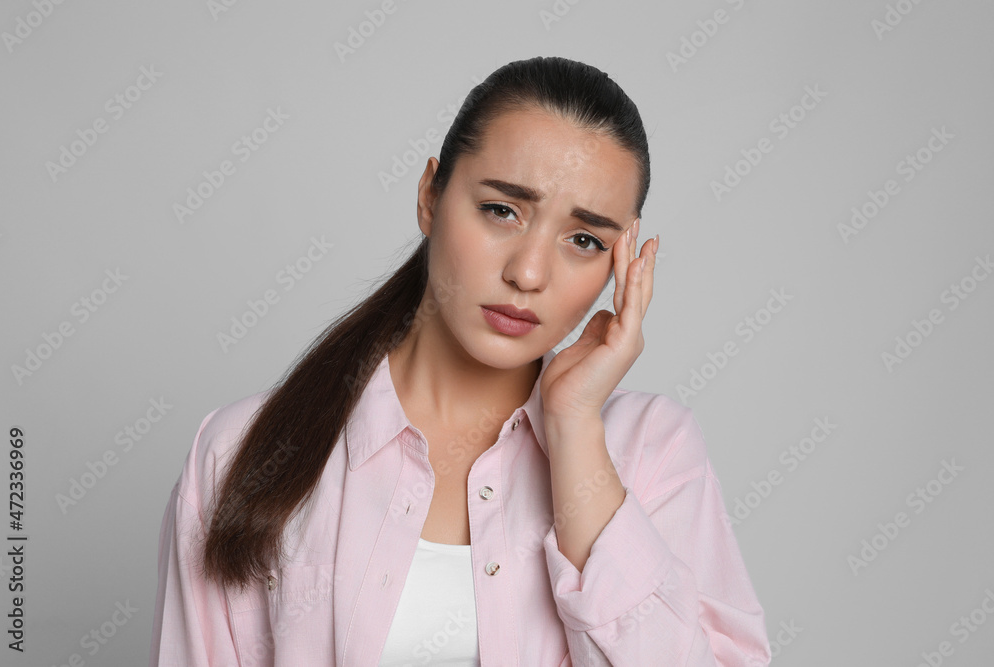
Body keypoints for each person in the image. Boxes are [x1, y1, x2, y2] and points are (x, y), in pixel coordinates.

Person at [149, 55, 772, 666]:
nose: (528, 272)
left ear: (620, 262)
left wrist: (575, 429)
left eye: (584, 240)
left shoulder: (653, 453)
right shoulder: (242, 451)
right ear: (430, 196)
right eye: (502, 210)